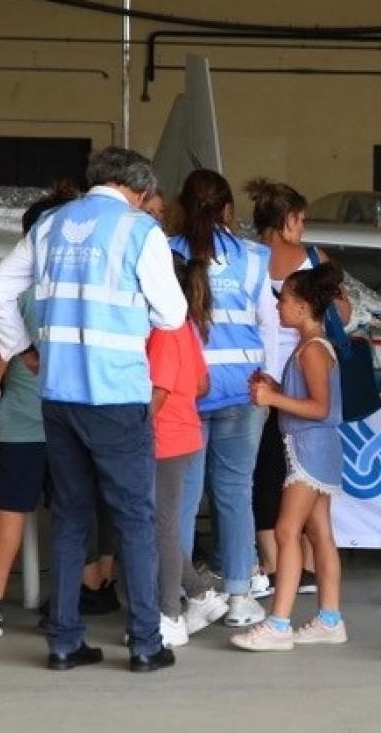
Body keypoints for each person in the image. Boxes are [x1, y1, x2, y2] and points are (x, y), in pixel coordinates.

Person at [0, 147, 188, 673]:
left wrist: (23, 348)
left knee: (71, 516)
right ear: (139, 190)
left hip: (58, 394)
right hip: (116, 396)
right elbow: (173, 314)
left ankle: (65, 641)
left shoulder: (50, 225)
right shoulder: (140, 231)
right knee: (135, 519)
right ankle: (144, 642)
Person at [0, 186, 76, 637]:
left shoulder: (17, 286)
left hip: (26, 417)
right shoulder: (73, 287)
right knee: (71, 510)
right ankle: (69, 602)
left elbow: (0, 352)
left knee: (10, 508)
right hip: (72, 415)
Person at [169, 169, 274, 626]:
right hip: (243, 388)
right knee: (235, 492)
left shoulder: (168, 251)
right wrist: (266, 381)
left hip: (186, 390)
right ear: (229, 210)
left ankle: (182, 596)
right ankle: (237, 597)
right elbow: (268, 322)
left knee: (181, 498)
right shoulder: (253, 257)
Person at [231, 262, 348, 652]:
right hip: (314, 448)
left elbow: (319, 407)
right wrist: (278, 387)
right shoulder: (311, 345)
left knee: (286, 531)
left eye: (283, 301)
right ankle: (329, 618)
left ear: (301, 306)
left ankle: (279, 623)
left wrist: (273, 398)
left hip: (309, 450)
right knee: (319, 533)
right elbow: (309, 400)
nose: (277, 307)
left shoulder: (313, 349)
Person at [246, 178, 337, 596]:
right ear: (286, 220)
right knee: (308, 505)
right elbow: (347, 313)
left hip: (258, 376)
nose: (302, 229)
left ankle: (274, 562)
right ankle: (309, 572)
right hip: (291, 379)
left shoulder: (244, 257)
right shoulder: (313, 260)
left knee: (261, 472)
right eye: (299, 220)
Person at [144, 255, 215, 648]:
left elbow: (159, 391)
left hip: (164, 439)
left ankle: (170, 613)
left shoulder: (165, 332)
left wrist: (135, 427)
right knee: (160, 525)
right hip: (183, 435)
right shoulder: (186, 326)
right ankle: (201, 592)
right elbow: (202, 383)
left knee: (161, 528)